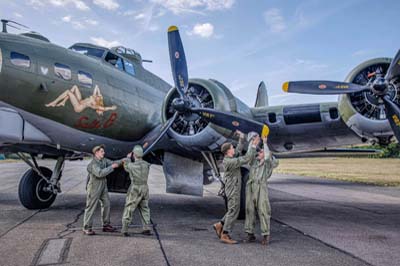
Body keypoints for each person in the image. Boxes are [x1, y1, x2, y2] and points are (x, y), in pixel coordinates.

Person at [213, 131, 259, 244]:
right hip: (232, 188)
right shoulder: (229, 162)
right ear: (228, 151)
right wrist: (253, 145)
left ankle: (219, 225)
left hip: (233, 187)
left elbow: (238, 150)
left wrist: (242, 138)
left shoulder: (231, 158)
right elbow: (246, 158)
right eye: (232, 148)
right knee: (233, 210)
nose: (234, 149)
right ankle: (225, 234)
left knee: (233, 209)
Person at [244, 136, 279, 245]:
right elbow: (249, 155)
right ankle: (250, 234)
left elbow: (269, 157)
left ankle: (265, 235)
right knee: (249, 210)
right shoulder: (254, 162)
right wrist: (253, 142)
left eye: (261, 152)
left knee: (263, 210)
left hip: (261, 188)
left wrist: (265, 142)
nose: (259, 153)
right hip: (251, 187)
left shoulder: (268, 164)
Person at [82, 145, 121, 235]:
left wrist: (124, 159)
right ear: (96, 153)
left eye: (103, 151)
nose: (104, 153)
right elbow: (100, 173)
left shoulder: (104, 160)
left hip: (103, 186)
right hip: (94, 187)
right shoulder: (93, 164)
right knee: (91, 207)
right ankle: (87, 227)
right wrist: (112, 167)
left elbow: (113, 162)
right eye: (102, 151)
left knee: (106, 204)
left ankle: (106, 225)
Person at [121, 145, 152, 237]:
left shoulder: (131, 166)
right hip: (145, 188)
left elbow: (126, 166)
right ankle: (146, 228)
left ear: (134, 154)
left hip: (135, 188)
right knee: (145, 208)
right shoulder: (147, 165)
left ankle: (125, 229)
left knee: (129, 207)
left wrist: (128, 158)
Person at [45, 85, 117, 116]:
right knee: (75, 87)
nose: (99, 113)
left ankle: (54, 102)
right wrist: (100, 95)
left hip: (78, 107)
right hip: (80, 101)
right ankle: (63, 102)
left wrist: (111, 108)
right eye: (100, 113)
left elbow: (104, 108)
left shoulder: (96, 106)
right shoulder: (94, 97)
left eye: (100, 113)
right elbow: (97, 86)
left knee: (68, 92)